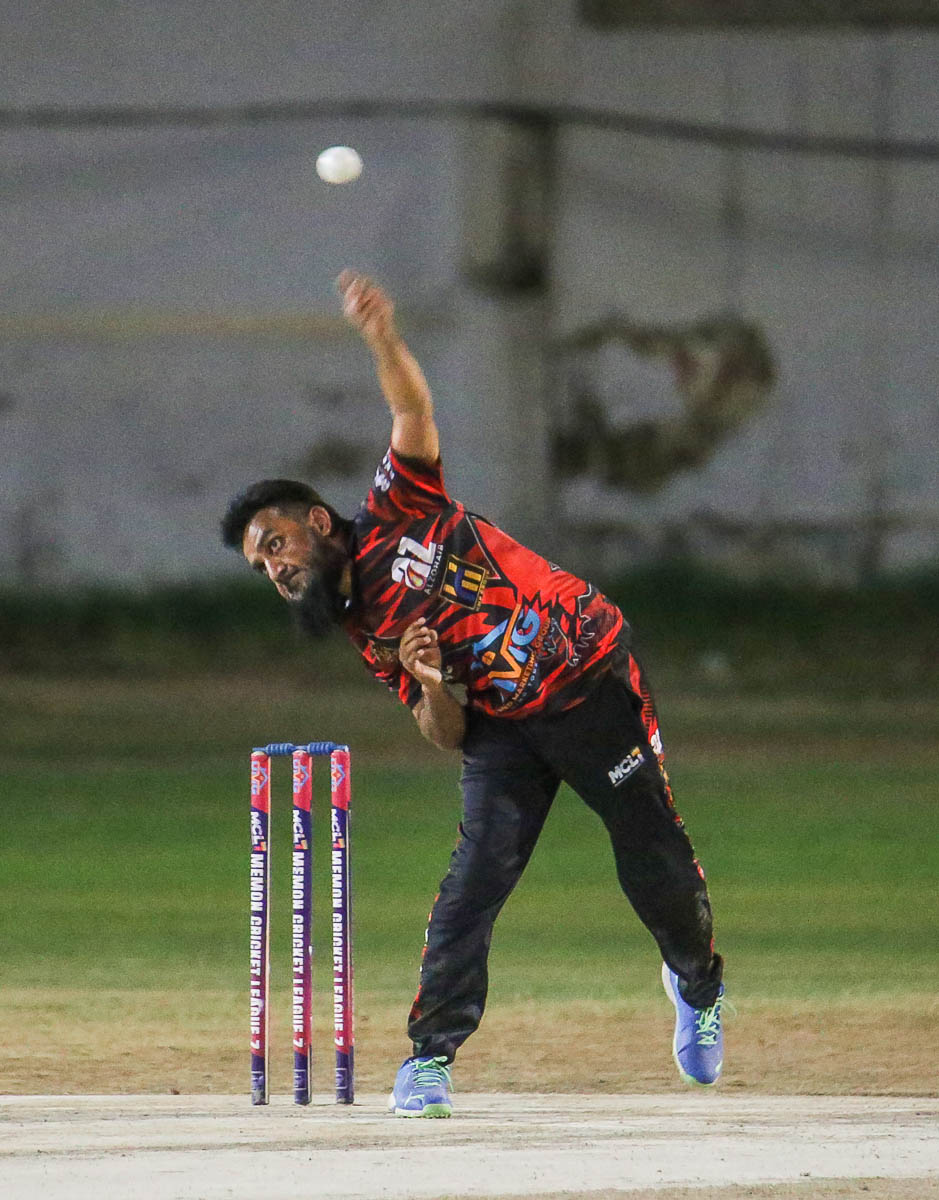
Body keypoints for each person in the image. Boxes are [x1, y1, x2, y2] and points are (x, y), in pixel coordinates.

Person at [221, 270, 725, 1117]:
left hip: (588, 685)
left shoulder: (396, 507)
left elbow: (410, 411)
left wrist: (381, 336)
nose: (274, 568)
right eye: (259, 566)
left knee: (653, 856)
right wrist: (429, 684)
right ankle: (429, 1059)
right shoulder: (360, 627)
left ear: (316, 521)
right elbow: (444, 733)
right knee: (473, 882)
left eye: (274, 544)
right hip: (499, 727)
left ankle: (698, 986)